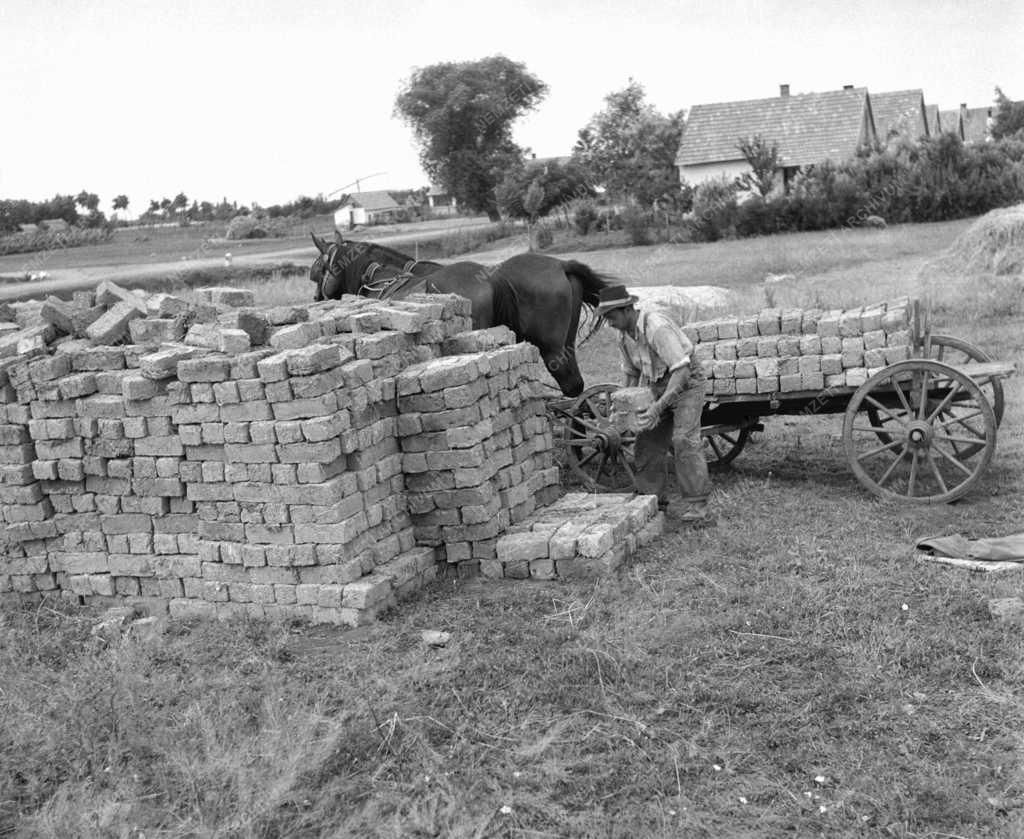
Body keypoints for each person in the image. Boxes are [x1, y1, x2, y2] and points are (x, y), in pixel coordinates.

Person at [594, 285, 713, 526]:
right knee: (646, 440)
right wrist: (622, 408)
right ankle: (652, 501)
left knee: (684, 440)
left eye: (612, 317)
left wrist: (658, 407)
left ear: (627, 309)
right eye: (606, 319)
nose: (610, 324)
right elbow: (631, 374)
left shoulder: (656, 327)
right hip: (656, 384)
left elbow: (681, 370)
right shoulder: (623, 337)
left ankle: (698, 508)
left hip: (687, 383)